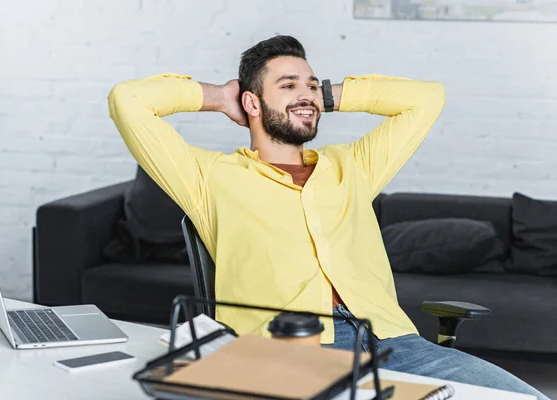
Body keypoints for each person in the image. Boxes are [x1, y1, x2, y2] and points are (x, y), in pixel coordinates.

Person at [108, 35, 547, 399]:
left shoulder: (351, 165)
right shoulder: (211, 177)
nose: (306, 93)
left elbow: (428, 98)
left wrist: (326, 95)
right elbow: (127, 100)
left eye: (312, 85)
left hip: (393, 341)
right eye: (288, 85)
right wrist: (220, 97)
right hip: (289, 350)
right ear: (252, 103)